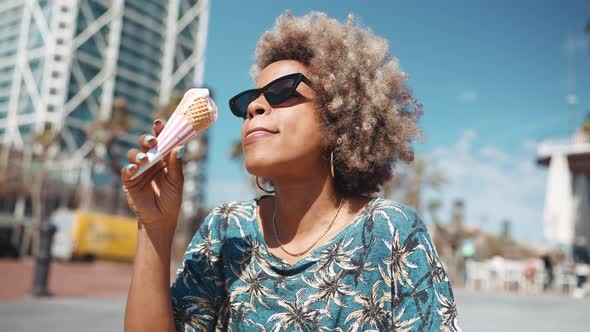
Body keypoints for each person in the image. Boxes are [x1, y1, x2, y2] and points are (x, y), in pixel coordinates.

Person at [123, 12, 460, 332]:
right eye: (247, 101)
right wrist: (156, 226)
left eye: (282, 91)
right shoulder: (226, 230)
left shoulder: (390, 231)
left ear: (338, 115)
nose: (254, 107)